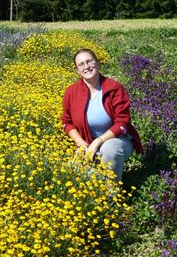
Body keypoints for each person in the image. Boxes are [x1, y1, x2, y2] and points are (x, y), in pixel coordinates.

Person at [61, 48, 144, 181]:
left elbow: (122, 122)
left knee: (109, 150)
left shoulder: (114, 88)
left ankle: (111, 194)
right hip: (86, 140)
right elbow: (67, 122)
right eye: (81, 64)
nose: (86, 67)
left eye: (89, 61)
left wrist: (97, 142)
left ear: (97, 63)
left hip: (117, 139)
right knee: (72, 172)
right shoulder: (71, 92)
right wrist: (81, 143)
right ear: (77, 70)